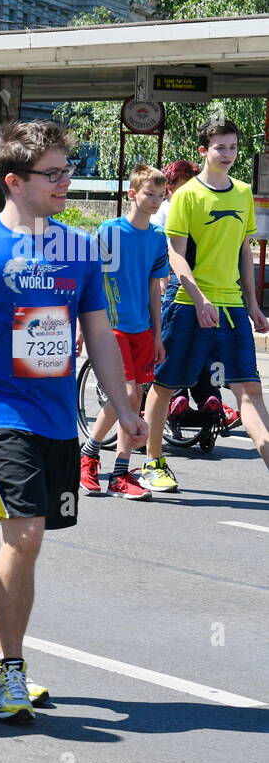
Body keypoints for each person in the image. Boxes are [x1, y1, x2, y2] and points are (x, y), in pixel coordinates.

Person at [0, 120, 142, 722]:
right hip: (1, 412)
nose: (66, 182)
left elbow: (98, 333)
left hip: (56, 419)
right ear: (14, 181)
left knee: (28, 545)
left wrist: (123, 406)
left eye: (67, 170)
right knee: (21, 534)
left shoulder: (79, 248)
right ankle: (11, 671)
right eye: (53, 174)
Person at [140, 117, 269, 488]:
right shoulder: (186, 195)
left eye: (232, 147)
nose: (227, 154)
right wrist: (198, 299)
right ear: (204, 151)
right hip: (186, 304)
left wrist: (253, 303)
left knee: (250, 391)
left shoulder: (243, 192)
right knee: (165, 386)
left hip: (231, 308)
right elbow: (175, 255)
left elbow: (244, 250)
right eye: (220, 147)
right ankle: (153, 461)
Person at [78, 165, 169, 500]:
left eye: (161, 196)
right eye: (149, 194)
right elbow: (89, 280)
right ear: (132, 194)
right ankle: (87, 455)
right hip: (110, 325)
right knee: (127, 394)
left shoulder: (158, 238)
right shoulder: (109, 231)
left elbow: (153, 290)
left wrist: (157, 335)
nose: (156, 201)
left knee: (136, 398)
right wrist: (81, 325)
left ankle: (120, 473)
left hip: (142, 330)